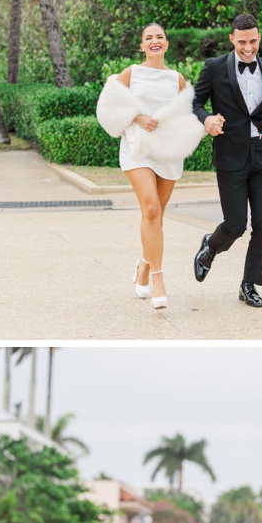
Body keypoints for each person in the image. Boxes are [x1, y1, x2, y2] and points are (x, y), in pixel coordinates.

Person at [191, 13, 262, 308]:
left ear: (259, 38)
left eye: (253, 41)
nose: (248, 47)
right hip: (230, 156)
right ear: (232, 40)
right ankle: (210, 246)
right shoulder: (214, 68)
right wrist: (207, 119)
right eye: (242, 42)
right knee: (236, 224)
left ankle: (249, 284)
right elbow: (194, 102)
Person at [95, 22, 204, 310]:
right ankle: (158, 278)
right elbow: (107, 107)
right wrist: (137, 117)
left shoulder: (177, 79)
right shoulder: (131, 73)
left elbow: (186, 115)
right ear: (142, 46)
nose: (154, 41)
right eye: (148, 38)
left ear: (166, 44)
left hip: (167, 152)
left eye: (159, 37)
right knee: (151, 208)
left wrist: (208, 125)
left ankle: (144, 263)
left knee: (157, 216)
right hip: (137, 148)